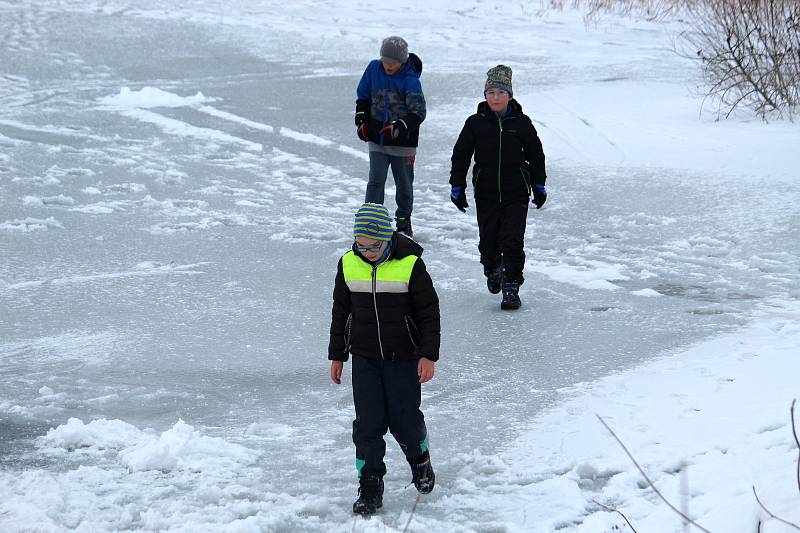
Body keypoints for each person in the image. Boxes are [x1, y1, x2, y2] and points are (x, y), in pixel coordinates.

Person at [328, 202, 440, 515]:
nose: (367, 252)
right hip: (364, 360)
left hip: (403, 358)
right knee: (368, 426)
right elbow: (341, 313)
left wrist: (428, 355)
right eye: (361, 246)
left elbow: (429, 313)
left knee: (404, 420)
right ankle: (370, 485)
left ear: (387, 237)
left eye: (373, 246)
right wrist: (337, 354)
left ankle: (420, 461)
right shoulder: (349, 264)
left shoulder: (410, 265)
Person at [448, 65, 548, 310]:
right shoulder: (474, 124)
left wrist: (539, 183)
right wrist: (457, 185)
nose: (495, 97)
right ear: (485, 96)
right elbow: (461, 155)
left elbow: (536, 154)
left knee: (513, 240)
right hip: (486, 192)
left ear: (510, 96)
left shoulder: (522, 123)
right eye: (491, 92)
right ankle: (492, 268)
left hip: (516, 192)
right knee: (489, 239)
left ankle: (511, 285)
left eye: (500, 93)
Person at [355, 36, 426, 238]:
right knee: (375, 180)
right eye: (385, 61)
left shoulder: (410, 80)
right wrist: (361, 119)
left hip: (403, 144)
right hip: (377, 138)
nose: (388, 66)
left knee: (404, 184)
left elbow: (418, 112)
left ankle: (403, 221)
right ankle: (371, 221)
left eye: (392, 63)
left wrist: (400, 126)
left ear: (401, 61)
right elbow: (363, 97)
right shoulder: (373, 69)